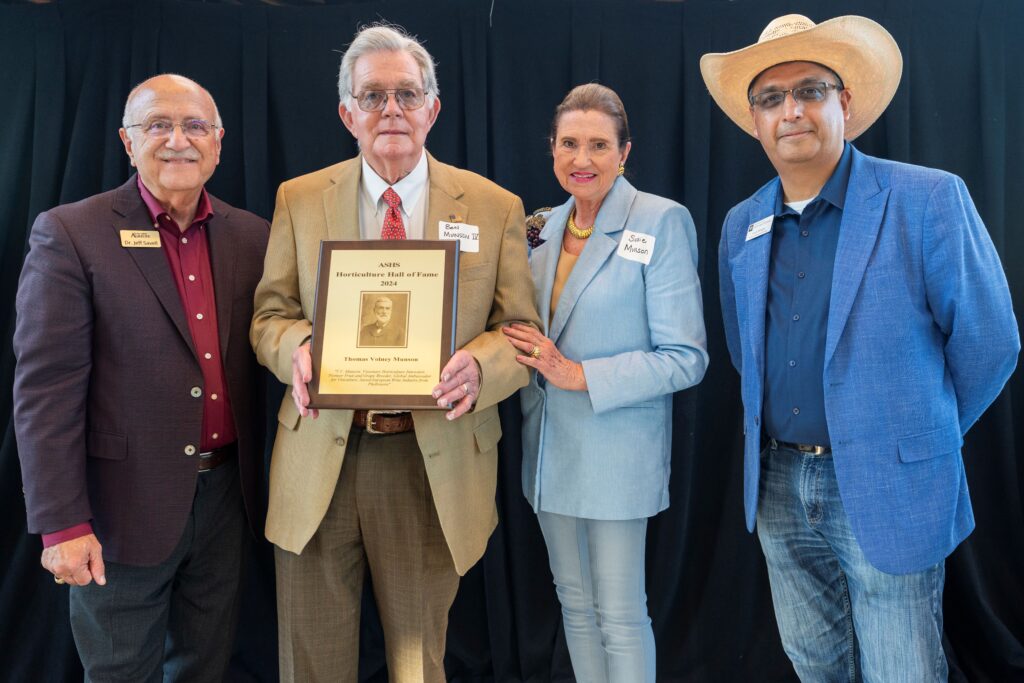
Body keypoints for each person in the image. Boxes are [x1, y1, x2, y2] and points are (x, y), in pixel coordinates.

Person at [703, 15, 1020, 681]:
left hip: (889, 481)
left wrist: (917, 434)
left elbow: (990, 343)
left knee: (903, 668)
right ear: (755, 119)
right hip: (779, 486)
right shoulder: (742, 225)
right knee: (816, 663)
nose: (791, 110)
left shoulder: (927, 198)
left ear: (843, 103)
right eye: (770, 97)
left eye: (810, 89)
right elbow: (745, 351)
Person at [250, 24, 540, 683]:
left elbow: (521, 334)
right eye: (372, 95)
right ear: (346, 112)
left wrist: (483, 366)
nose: (390, 111)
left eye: (406, 94)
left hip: (428, 461)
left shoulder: (493, 207)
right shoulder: (299, 199)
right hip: (319, 456)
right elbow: (270, 315)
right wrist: (295, 348)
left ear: (433, 109)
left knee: (418, 665)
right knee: (312, 663)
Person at [12, 74, 269, 681]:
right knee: (120, 672)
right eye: (158, 125)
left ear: (219, 142)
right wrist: (63, 523)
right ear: (127, 143)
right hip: (117, 511)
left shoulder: (252, 235)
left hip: (227, 500)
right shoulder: (71, 233)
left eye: (194, 126)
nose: (178, 140)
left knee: (204, 667)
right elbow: (45, 392)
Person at [503, 83, 709, 683]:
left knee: (619, 615)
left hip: (618, 452)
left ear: (624, 152)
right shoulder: (539, 227)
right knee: (573, 604)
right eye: (569, 144)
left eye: (598, 145)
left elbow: (685, 357)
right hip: (549, 451)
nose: (582, 159)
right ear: (552, 151)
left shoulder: (661, 220)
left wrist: (579, 374)